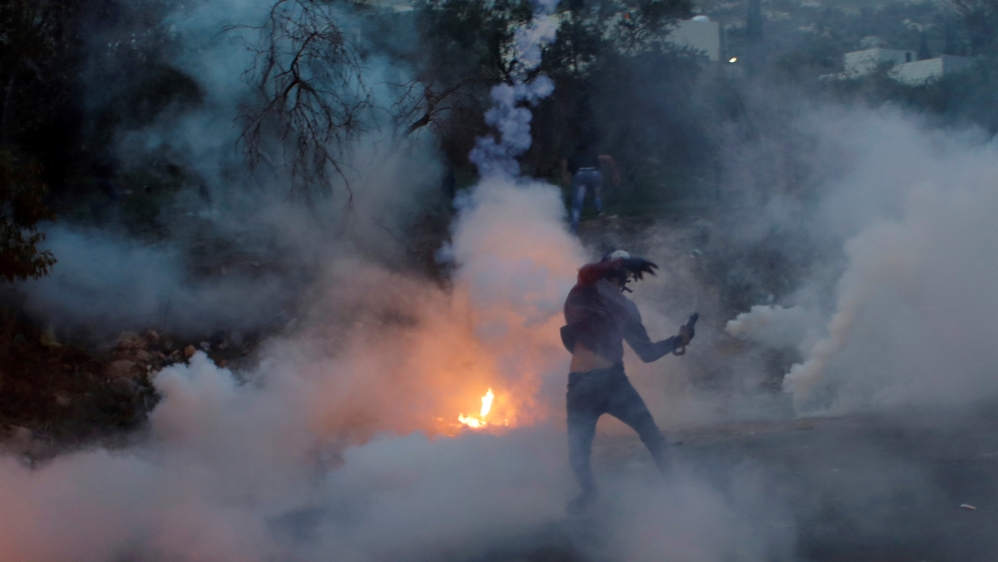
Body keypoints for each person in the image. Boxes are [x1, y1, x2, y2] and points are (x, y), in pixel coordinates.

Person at [559, 250, 695, 513]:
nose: (619, 277)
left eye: (621, 272)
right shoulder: (585, 290)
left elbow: (646, 353)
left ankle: (678, 494)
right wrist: (622, 261)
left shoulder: (626, 308)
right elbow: (589, 271)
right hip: (581, 385)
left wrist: (678, 340)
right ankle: (589, 494)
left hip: (613, 382)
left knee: (652, 436)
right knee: (578, 454)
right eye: (617, 270)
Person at [561, 143, 620, 234]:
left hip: (580, 174)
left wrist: (565, 175)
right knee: (597, 196)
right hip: (595, 174)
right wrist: (615, 174)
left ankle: (572, 233)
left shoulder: (573, 157)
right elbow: (608, 158)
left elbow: (565, 161)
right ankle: (600, 211)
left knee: (577, 206)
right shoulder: (593, 155)